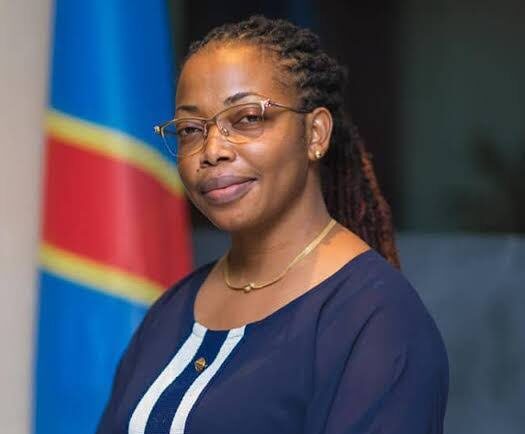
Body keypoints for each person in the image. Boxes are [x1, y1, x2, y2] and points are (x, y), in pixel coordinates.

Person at [96, 15, 449, 434]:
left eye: (247, 118)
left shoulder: (377, 319)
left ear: (315, 134)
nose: (212, 150)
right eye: (191, 129)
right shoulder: (171, 311)